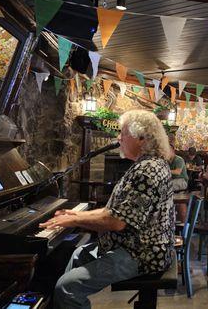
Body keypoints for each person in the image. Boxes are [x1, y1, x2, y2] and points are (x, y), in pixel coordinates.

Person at [42, 110, 175, 309]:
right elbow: (114, 211)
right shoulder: (145, 165)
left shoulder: (147, 170)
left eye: (123, 133)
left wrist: (75, 221)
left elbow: (117, 222)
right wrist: (75, 214)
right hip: (133, 245)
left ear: (141, 138)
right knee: (78, 254)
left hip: (143, 252)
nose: (118, 137)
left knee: (68, 287)